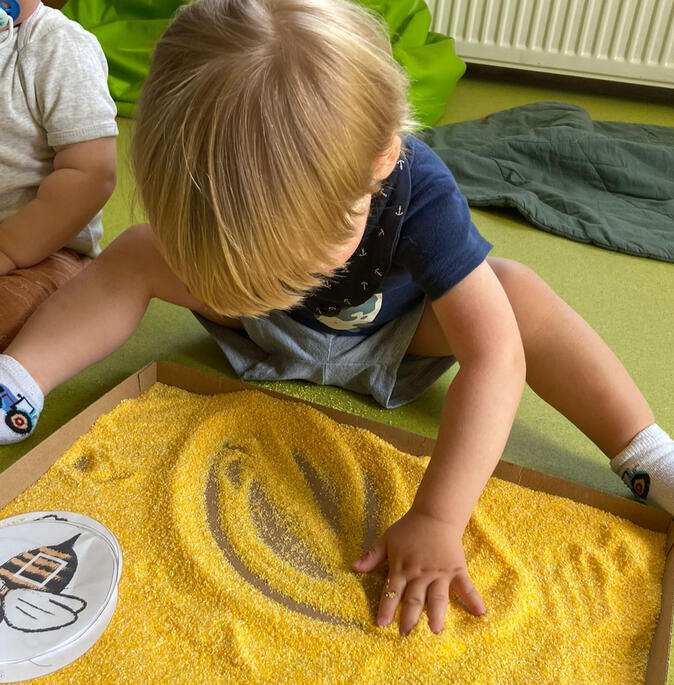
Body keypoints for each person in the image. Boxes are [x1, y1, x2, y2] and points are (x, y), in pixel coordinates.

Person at [1, 0, 672, 637]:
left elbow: (497, 359)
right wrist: (224, 279)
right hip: (259, 329)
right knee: (135, 251)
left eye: (297, 253)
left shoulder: (420, 186)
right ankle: (17, 382)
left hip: (395, 340)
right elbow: (143, 264)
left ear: (380, 162)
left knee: (515, 295)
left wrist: (440, 517)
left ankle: (646, 454)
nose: (280, 267)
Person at [0, 0, 117, 350]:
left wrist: (8, 248)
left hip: (45, 250)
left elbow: (90, 174)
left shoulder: (57, 46)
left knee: (15, 311)